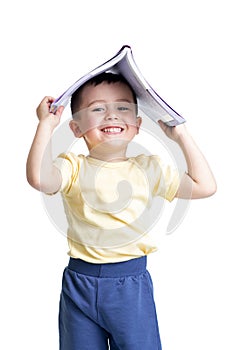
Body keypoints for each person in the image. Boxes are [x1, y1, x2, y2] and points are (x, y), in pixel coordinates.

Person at [26, 72, 216, 350]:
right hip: (79, 282)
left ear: (137, 125)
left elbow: (205, 186)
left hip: (129, 286)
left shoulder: (149, 168)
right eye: (98, 109)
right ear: (76, 128)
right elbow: (39, 179)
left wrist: (180, 135)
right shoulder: (73, 166)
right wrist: (45, 124)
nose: (112, 115)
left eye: (122, 107)